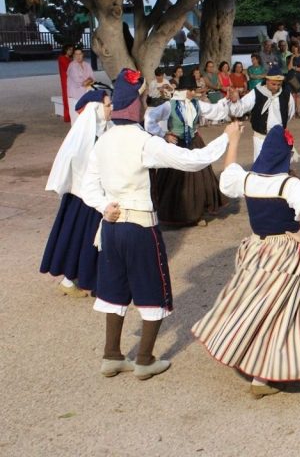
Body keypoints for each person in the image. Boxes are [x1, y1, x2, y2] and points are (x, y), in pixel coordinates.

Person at [80, 68, 238, 380]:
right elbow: (192, 161)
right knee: (153, 288)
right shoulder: (143, 142)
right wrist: (227, 139)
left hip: (111, 227)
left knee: (113, 288)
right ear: (136, 106)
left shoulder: (104, 141)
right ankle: (144, 358)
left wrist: (103, 206)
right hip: (140, 226)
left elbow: (87, 187)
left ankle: (111, 354)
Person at [192, 125, 300, 398]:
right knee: (282, 310)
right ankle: (265, 375)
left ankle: (244, 352)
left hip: (257, 247)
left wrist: (234, 140)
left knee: (253, 304)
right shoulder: (290, 184)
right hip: (285, 251)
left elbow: (228, 175)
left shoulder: (249, 179)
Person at [41, 90, 113, 297]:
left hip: (95, 195)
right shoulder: (83, 136)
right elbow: (73, 162)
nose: (111, 108)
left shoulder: (105, 131)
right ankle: (69, 280)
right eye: (107, 105)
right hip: (82, 197)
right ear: (96, 109)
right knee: (79, 239)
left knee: (88, 238)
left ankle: (89, 277)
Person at [144, 90, 232, 226]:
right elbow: (150, 119)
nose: (194, 92)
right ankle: (176, 215)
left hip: (194, 142)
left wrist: (226, 99)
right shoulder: (169, 105)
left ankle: (199, 213)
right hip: (176, 143)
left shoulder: (197, 104)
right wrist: (164, 134)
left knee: (199, 179)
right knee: (173, 181)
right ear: (183, 91)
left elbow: (214, 110)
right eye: (191, 90)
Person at [228, 65, 295, 161]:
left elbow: (289, 113)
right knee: (260, 165)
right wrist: (235, 101)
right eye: (273, 84)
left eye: (279, 84)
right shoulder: (256, 92)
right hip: (261, 137)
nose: (276, 87)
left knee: (278, 165)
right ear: (267, 81)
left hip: (279, 137)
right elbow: (241, 108)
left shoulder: (286, 94)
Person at [66, 48, 95, 121]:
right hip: (75, 96)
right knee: (76, 119)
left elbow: (92, 78)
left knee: (86, 118)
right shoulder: (72, 66)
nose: (78, 56)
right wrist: (88, 80)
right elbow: (79, 82)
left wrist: (87, 80)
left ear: (83, 55)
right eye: (76, 54)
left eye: (80, 54)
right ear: (73, 56)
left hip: (86, 94)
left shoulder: (87, 65)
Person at [286, 42, 300, 117]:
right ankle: (293, 111)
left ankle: (298, 111)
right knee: (292, 95)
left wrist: (295, 68)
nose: (294, 49)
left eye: (295, 47)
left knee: (298, 94)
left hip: (299, 77)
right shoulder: (288, 57)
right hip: (292, 77)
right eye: (292, 47)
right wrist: (292, 58)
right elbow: (289, 68)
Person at [58, 44, 74, 123]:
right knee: (67, 97)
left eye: (71, 50)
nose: (70, 51)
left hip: (71, 79)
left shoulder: (70, 59)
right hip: (66, 80)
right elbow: (68, 69)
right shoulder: (62, 58)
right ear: (65, 50)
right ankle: (68, 116)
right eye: (69, 50)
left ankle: (71, 115)